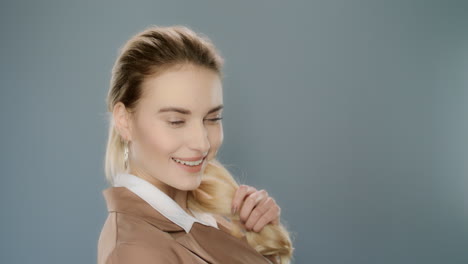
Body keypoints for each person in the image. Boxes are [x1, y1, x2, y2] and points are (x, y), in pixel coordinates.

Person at [97, 25, 294, 264]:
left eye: (212, 119)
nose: (202, 143)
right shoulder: (134, 252)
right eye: (176, 121)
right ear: (124, 121)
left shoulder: (199, 216)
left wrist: (257, 240)